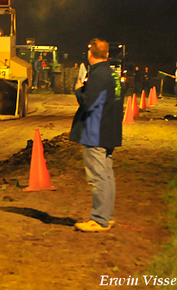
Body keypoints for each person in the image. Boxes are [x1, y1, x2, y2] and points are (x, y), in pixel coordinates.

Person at [70, 38, 123, 232]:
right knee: (107, 176)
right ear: (107, 54)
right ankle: (106, 216)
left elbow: (88, 102)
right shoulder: (113, 74)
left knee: (98, 178)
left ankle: (99, 219)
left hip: (94, 132)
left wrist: (78, 88)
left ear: (90, 54)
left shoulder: (98, 75)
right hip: (109, 131)